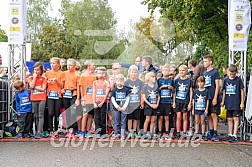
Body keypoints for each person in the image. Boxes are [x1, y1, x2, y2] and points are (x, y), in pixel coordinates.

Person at [221, 65, 244, 142]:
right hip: (228, 102)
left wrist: (242, 102)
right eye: (231, 74)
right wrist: (223, 101)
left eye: (234, 74)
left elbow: (242, 91)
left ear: (236, 73)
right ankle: (230, 134)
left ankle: (234, 134)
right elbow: (224, 91)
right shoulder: (226, 80)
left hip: (236, 102)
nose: (232, 76)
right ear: (228, 72)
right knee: (229, 119)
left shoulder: (238, 80)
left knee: (236, 118)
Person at [203, 55, 220, 141]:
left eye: (206, 61)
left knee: (214, 114)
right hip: (206, 97)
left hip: (213, 95)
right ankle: (210, 131)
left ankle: (215, 133)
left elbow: (217, 85)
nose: (204, 63)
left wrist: (215, 97)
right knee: (208, 115)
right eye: (204, 61)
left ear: (210, 62)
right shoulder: (204, 73)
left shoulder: (215, 72)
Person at [44, 57, 63, 137]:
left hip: (58, 95)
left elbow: (62, 85)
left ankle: (56, 130)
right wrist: (47, 82)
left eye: (54, 63)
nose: (52, 65)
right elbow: (44, 84)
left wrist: (56, 80)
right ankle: (51, 129)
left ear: (58, 65)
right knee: (50, 113)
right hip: (50, 95)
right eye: (51, 63)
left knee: (56, 113)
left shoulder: (61, 73)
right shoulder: (47, 73)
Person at [173, 65, 193, 138]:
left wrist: (190, 102)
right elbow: (175, 92)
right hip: (178, 101)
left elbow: (191, 92)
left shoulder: (189, 81)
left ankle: (184, 132)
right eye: (180, 70)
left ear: (186, 71)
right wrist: (174, 102)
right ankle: (178, 132)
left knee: (185, 117)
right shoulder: (177, 80)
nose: (181, 72)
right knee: (178, 117)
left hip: (185, 101)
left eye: (183, 70)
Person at [28, 62, 47, 139]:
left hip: (42, 98)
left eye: (38, 70)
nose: (36, 71)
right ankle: (36, 130)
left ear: (41, 71)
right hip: (34, 98)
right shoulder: (30, 78)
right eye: (35, 69)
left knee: (41, 115)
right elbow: (31, 85)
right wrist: (35, 78)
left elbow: (43, 89)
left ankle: (39, 131)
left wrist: (34, 87)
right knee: (35, 115)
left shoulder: (44, 78)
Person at [62, 59, 80, 138]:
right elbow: (62, 83)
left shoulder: (77, 74)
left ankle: (73, 128)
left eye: (70, 65)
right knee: (67, 111)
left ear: (74, 66)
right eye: (68, 65)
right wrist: (62, 89)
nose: (69, 67)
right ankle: (69, 128)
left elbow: (79, 87)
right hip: (66, 93)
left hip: (74, 93)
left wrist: (78, 98)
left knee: (73, 111)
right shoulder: (64, 73)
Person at [78, 60, 97, 138]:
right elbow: (81, 87)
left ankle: (88, 130)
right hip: (86, 99)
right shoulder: (83, 76)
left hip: (92, 99)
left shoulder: (94, 76)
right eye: (93, 65)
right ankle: (82, 131)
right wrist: (82, 98)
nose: (94, 66)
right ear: (89, 66)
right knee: (85, 114)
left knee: (90, 116)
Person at [124, 65, 143, 139]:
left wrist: (141, 103)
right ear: (129, 72)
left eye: (135, 72)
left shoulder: (140, 82)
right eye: (132, 72)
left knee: (136, 118)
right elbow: (124, 93)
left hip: (137, 103)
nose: (134, 74)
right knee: (129, 118)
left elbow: (142, 93)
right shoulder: (126, 82)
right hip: (129, 104)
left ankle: (134, 131)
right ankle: (129, 131)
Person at [157, 65, 174, 139]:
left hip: (168, 101)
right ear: (162, 71)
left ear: (169, 71)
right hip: (161, 101)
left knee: (167, 117)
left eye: (167, 70)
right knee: (160, 117)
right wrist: (160, 88)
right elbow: (156, 90)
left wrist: (171, 88)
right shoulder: (159, 80)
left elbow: (174, 91)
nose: (165, 72)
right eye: (164, 70)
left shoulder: (171, 80)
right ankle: (160, 131)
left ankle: (167, 131)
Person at [92, 67, 110, 138]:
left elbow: (106, 94)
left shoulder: (106, 83)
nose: (100, 74)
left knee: (103, 117)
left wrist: (102, 102)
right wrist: (94, 102)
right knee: (96, 118)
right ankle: (97, 132)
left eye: (102, 73)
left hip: (103, 103)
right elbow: (93, 93)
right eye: (98, 73)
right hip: (96, 102)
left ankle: (103, 133)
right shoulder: (95, 82)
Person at [110, 74, 130, 140]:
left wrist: (124, 107)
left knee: (123, 121)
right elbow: (112, 99)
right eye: (118, 81)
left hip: (124, 108)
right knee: (116, 121)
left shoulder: (126, 89)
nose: (119, 82)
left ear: (123, 81)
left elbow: (127, 98)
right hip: (116, 108)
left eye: (121, 81)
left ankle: (122, 134)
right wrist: (117, 107)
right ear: (115, 81)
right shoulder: (114, 90)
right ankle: (116, 133)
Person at [141, 72, 160, 139]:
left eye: (155, 76)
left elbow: (158, 96)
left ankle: (151, 133)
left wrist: (157, 104)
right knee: (147, 119)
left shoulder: (156, 86)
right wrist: (150, 105)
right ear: (148, 78)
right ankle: (145, 132)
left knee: (153, 119)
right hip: (148, 106)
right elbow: (144, 97)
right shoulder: (145, 86)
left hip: (155, 105)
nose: (154, 78)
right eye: (152, 77)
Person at [192, 76, 210, 141]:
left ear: (204, 83)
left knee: (203, 122)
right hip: (197, 108)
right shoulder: (196, 91)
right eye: (199, 82)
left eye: (202, 82)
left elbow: (207, 100)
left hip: (203, 109)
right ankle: (196, 134)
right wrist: (193, 109)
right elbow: (194, 100)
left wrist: (206, 109)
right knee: (197, 121)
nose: (200, 84)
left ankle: (203, 134)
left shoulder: (206, 91)